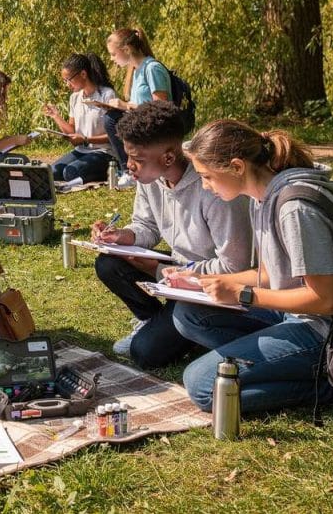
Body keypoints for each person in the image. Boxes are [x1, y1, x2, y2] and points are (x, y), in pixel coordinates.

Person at [169, 120, 333, 413]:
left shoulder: (294, 209)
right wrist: (202, 278)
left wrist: (243, 294)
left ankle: (332, 383)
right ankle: (276, 363)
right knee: (189, 315)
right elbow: (269, 274)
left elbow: (326, 300)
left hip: (327, 331)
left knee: (204, 386)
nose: (204, 186)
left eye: (207, 177)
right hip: (292, 313)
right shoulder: (260, 198)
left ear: (237, 167)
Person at [88, 101, 252, 369]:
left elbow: (234, 266)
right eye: (128, 156)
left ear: (168, 158)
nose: (129, 166)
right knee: (109, 263)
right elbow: (146, 225)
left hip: (213, 284)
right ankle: (158, 323)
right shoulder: (151, 179)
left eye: (137, 159)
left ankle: (183, 329)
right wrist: (123, 236)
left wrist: (160, 269)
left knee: (145, 354)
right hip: (178, 270)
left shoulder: (214, 187)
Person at [104, 28, 172, 188]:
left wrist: (126, 105)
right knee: (110, 117)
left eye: (113, 54)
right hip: (140, 123)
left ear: (126, 49)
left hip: (155, 127)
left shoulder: (152, 68)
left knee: (111, 120)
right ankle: (130, 169)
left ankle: (129, 171)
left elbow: (161, 108)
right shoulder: (136, 71)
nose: (111, 59)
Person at [42, 53, 118, 183]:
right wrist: (56, 116)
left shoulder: (106, 94)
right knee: (52, 172)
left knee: (70, 172)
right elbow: (72, 131)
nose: (67, 85)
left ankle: (111, 170)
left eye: (69, 80)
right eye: (64, 81)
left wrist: (86, 139)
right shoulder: (74, 98)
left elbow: (114, 134)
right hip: (82, 150)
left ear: (83, 74)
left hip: (104, 152)